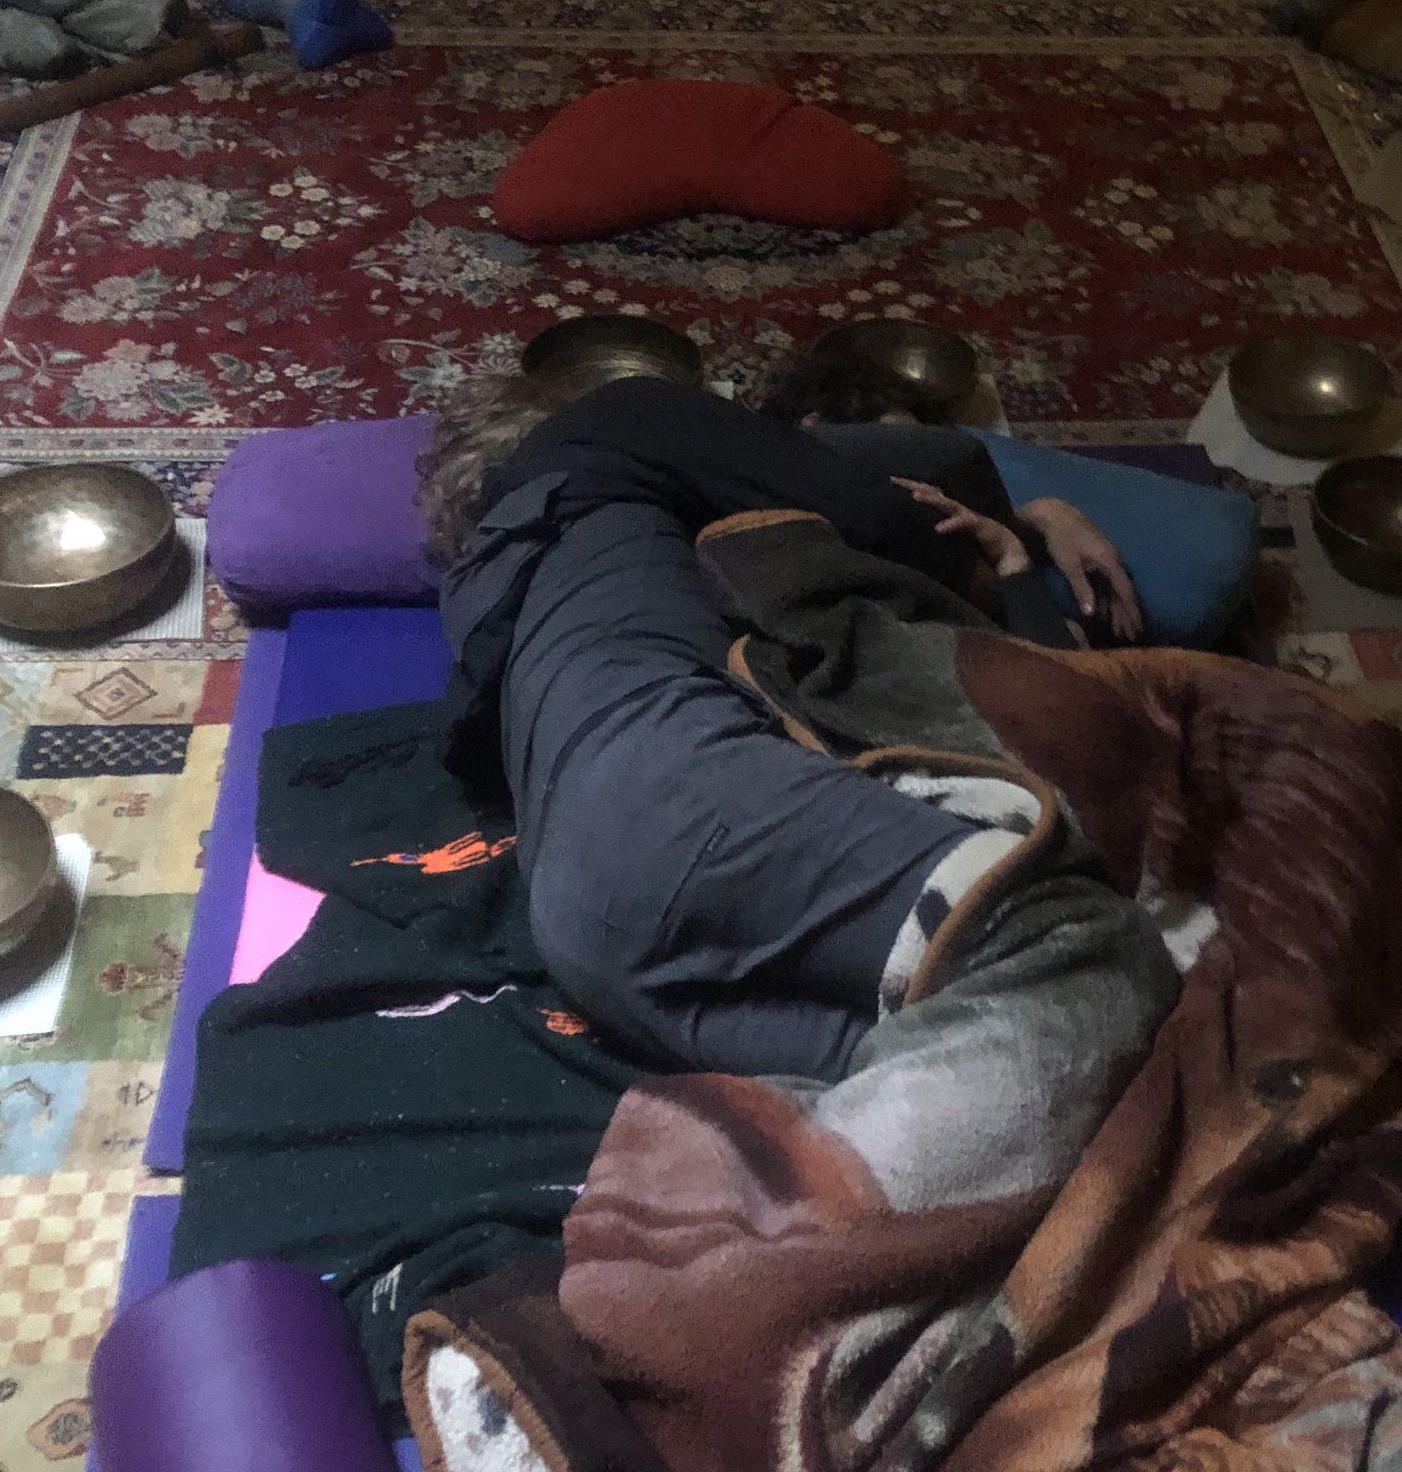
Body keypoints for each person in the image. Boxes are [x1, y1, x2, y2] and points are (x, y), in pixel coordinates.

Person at [415, 357, 1143, 1088]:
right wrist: (1029, 527)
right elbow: (882, 513)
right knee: (1092, 956)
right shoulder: (614, 416)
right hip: (686, 801)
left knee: (1000, 1075)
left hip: (583, 932)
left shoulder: (483, 592)